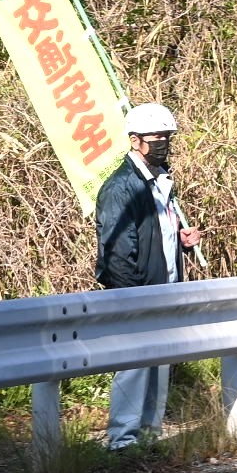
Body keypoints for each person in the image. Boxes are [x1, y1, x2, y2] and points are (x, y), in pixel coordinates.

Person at [94, 101, 201, 449]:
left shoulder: (161, 180)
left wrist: (181, 242)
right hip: (139, 293)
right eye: (156, 138)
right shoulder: (121, 188)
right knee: (135, 365)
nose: (163, 144)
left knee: (159, 365)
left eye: (167, 137)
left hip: (164, 290)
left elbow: (156, 235)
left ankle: (149, 438)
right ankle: (122, 441)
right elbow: (117, 251)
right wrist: (135, 298)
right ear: (135, 140)